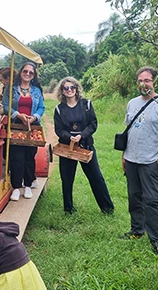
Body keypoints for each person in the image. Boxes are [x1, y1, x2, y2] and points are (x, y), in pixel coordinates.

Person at [121, 66, 158, 255]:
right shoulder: (132, 104)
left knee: (152, 201)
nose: (143, 84)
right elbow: (128, 132)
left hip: (151, 162)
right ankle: (137, 230)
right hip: (131, 160)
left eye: (147, 80)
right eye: (140, 80)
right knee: (134, 197)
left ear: (154, 82)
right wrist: (123, 156)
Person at [53, 77, 114, 214]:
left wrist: (82, 135)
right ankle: (68, 209)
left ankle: (107, 208)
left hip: (86, 145)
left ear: (76, 88)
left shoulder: (86, 104)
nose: (69, 90)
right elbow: (59, 129)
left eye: (72, 87)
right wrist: (70, 137)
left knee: (96, 177)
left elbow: (93, 124)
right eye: (66, 88)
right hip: (67, 148)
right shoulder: (59, 109)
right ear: (62, 91)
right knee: (67, 179)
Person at [2, 62, 45, 201]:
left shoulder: (37, 90)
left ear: (33, 76)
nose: (27, 74)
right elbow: (5, 106)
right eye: (25, 71)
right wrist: (17, 115)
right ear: (20, 72)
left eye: (30, 73)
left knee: (29, 156)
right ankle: (16, 187)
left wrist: (35, 117)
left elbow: (41, 107)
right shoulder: (11, 88)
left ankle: (27, 185)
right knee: (16, 157)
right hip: (16, 125)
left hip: (32, 127)